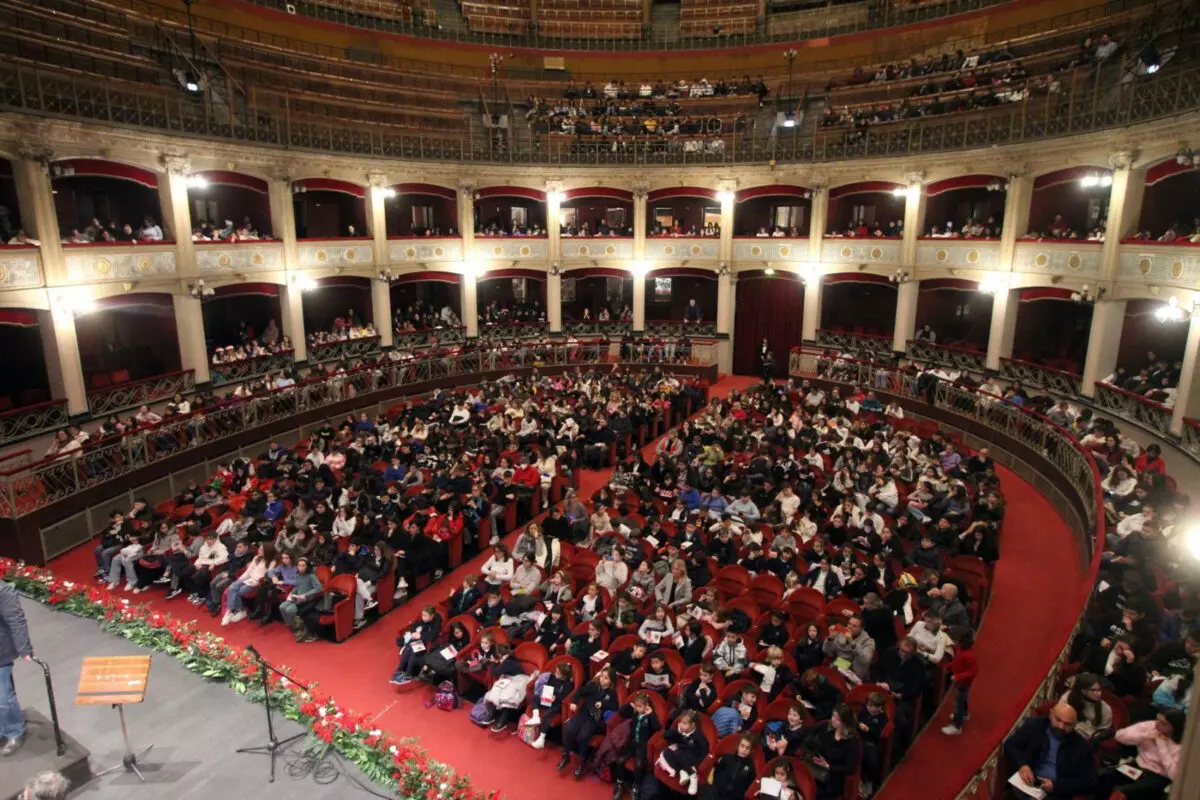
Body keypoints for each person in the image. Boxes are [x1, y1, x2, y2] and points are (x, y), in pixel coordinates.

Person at [1003, 703, 1098, 798]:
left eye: (1067, 724)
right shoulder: (1035, 725)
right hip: (1027, 783)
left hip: (1055, 793)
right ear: (1051, 714)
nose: (1061, 726)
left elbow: (1090, 782)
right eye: (1058, 720)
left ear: (1075, 725)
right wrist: (1022, 765)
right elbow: (1010, 745)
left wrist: (1056, 786)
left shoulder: (1082, 747)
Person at [1097, 711, 1183, 799]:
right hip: (1138, 769)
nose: (1157, 724)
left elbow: (1173, 774)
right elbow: (1119, 735)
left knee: (1124, 791)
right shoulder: (1151, 726)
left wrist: (1161, 745)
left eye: (1163, 724)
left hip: (1157, 777)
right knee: (1105, 775)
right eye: (1157, 720)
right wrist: (1145, 736)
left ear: (1173, 727)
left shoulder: (1180, 746)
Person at [0, 581, 33, 755]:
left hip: (1, 652)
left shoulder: (3, 591)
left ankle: (14, 731)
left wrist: (24, 649)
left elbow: (16, 620)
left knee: (3, 699)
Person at [941, 629, 978, 736]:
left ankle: (956, 726)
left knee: (958, 704)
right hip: (960, 681)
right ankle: (965, 714)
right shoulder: (960, 650)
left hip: (963, 682)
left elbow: (973, 671)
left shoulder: (969, 655)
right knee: (963, 699)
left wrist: (958, 676)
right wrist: (948, 666)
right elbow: (957, 661)